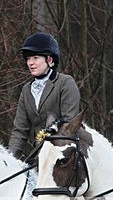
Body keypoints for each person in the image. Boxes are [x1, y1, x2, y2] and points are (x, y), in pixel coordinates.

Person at [8, 32, 81, 162]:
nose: (30, 63)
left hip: (64, 156)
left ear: (50, 60)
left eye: (35, 58)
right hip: (38, 157)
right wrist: (9, 160)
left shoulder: (65, 83)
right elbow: (20, 130)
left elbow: (69, 125)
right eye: (28, 59)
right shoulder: (26, 90)